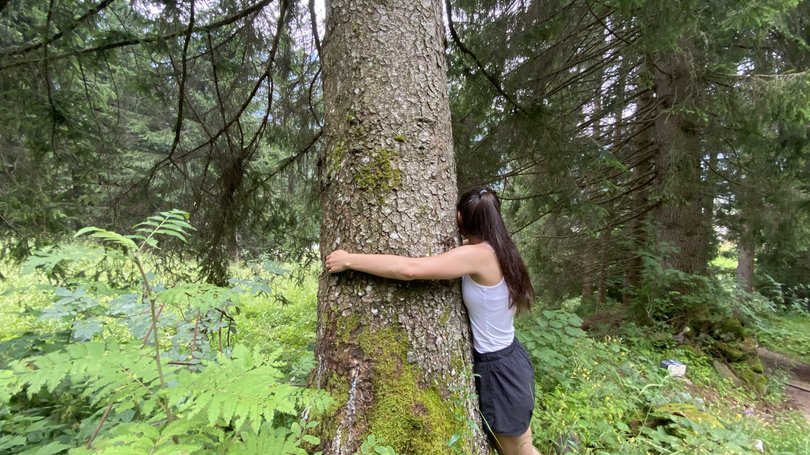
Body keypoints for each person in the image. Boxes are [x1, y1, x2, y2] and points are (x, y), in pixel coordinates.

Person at [325, 186, 540, 455]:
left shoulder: (477, 256)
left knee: (517, 453)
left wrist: (349, 260)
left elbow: (410, 269)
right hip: (510, 359)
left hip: (498, 371)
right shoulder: (502, 248)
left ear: (459, 218)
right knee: (523, 448)